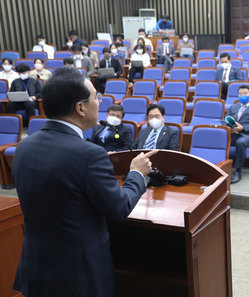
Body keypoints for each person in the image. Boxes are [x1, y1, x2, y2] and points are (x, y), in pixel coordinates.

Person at [11, 66, 155, 297]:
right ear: (80, 108)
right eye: (96, 97)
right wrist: (137, 173)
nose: (99, 102)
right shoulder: (88, 154)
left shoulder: (23, 146)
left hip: (36, 266)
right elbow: (118, 208)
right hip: (78, 275)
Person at [225, 85, 249, 184]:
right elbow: (225, 120)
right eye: (240, 94)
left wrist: (242, 128)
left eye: (245, 94)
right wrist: (230, 128)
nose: (242, 96)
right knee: (219, 140)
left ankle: (238, 171)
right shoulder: (234, 106)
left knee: (240, 143)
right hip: (233, 133)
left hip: (247, 135)